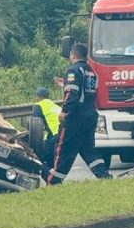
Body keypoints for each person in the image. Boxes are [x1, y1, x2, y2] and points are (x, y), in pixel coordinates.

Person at [47, 42, 111, 185]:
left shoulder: (73, 70)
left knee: (64, 149)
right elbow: (85, 91)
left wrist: (64, 111)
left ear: (73, 55)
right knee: (88, 149)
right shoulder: (92, 72)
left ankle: (53, 181)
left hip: (75, 118)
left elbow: (72, 93)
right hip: (90, 116)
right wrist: (64, 84)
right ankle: (104, 176)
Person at [33, 87, 61, 174]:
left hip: (53, 136)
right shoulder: (56, 106)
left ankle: (50, 173)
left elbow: (36, 124)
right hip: (62, 135)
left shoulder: (39, 105)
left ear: (37, 96)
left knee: (37, 159)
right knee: (52, 161)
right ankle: (53, 175)